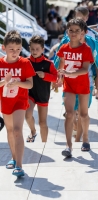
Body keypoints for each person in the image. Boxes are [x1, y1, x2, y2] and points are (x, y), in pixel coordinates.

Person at [57, 18, 94, 157]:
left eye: (77, 31)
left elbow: (85, 69)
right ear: (67, 32)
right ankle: (68, 145)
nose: (73, 33)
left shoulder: (86, 49)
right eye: (71, 30)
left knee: (83, 114)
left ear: (82, 33)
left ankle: (85, 138)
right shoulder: (63, 48)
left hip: (83, 85)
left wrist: (69, 73)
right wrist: (59, 78)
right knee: (69, 114)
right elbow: (61, 64)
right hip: (69, 85)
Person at [0, 30, 35, 177]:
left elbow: (30, 85)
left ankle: (19, 166)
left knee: (17, 130)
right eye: (11, 49)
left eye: (18, 49)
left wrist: (18, 83)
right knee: (9, 131)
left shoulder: (25, 63)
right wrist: (4, 82)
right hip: (5, 101)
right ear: (4, 48)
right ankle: (14, 159)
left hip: (20, 101)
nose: (15, 52)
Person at [25, 35, 57, 142]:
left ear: (43, 49)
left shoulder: (48, 64)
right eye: (32, 49)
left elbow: (56, 78)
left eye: (37, 49)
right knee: (28, 114)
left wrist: (45, 75)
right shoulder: (26, 62)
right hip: (30, 93)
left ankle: (44, 144)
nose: (34, 51)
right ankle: (33, 131)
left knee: (42, 122)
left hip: (43, 94)